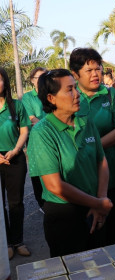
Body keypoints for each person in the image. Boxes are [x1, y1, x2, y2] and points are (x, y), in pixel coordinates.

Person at [27, 69, 113, 257]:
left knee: (98, 265)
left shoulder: (85, 122)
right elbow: (54, 186)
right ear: (51, 98)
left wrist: (101, 198)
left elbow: (101, 161)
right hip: (64, 215)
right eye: (69, 90)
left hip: (94, 209)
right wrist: (98, 203)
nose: (77, 94)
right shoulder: (42, 132)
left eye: (75, 88)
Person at [69, 48, 115, 246]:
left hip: (114, 175)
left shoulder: (110, 95)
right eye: (89, 70)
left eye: (98, 69)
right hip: (83, 181)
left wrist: (93, 147)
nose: (96, 74)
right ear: (75, 74)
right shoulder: (69, 97)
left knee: (113, 233)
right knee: (89, 236)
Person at [0, 67, 31, 259]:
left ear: (5, 82)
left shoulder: (16, 106)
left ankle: (18, 241)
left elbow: (24, 130)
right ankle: (6, 243)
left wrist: (16, 150)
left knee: (16, 202)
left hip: (15, 157)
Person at [22, 67, 47, 212]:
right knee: (37, 170)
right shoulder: (27, 97)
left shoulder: (52, 92)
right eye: (39, 77)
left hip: (53, 135)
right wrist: (51, 127)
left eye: (45, 76)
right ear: (32, 80)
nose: (43, 79)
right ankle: (41, 202)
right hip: (35, 138)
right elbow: (32, 118)